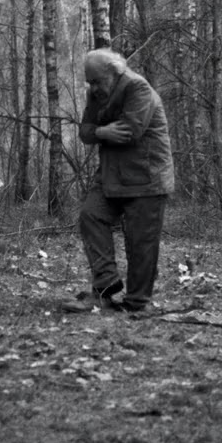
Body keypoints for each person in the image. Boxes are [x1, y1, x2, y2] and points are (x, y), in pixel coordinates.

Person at [77, 48, 175, 311]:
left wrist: (99, 131)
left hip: (147, 177)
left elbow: (129, 131)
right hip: (112, 175)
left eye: (97, 81)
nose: (93, 88)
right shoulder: (96, 94)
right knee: (91, 215)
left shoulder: (137, 88)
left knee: (140, 243)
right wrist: (102, 131)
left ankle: (138, 302)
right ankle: (106, 284)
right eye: (89, 82)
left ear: (114, 72)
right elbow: (84, 132)